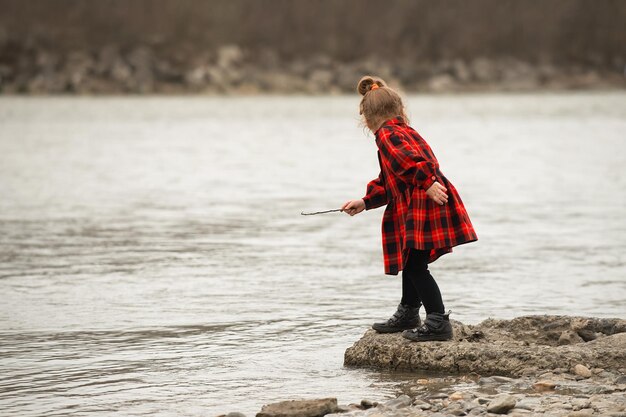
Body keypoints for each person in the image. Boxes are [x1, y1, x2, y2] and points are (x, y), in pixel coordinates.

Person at [341, 75, 478, 342]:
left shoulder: (387, 135)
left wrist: (426, 183)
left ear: (368, 121)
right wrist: (366, 201)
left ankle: (437, 321)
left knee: (416, 267)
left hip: (422, 203)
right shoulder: (404, 131)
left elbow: (408, 163)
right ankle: (408, 313)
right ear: (400, 110)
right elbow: (391, 179)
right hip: (422, 200)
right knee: (411, 260)